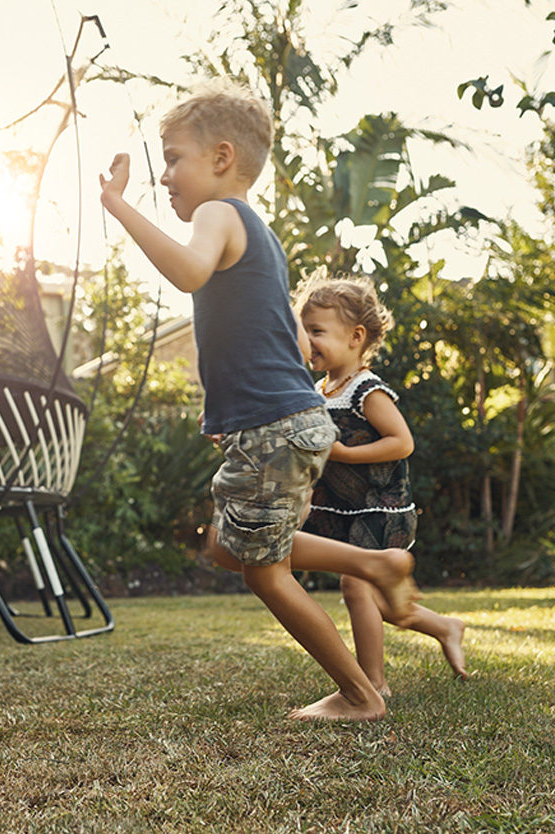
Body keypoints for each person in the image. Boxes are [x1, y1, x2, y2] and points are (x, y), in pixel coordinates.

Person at [98, 80, 419, 722]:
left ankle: (359, 696)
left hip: (275, 425)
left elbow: (189, 274)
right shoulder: (261, 236)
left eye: (173, 158)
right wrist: (230, 406)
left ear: (221, 158)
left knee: (263, 571)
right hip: (278, 421)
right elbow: (290, 340)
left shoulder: (218, 215)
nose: (165, 176)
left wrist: (118, 206)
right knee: (228, 545)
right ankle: (374, 561)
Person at [296, 273, 467, 694]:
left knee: (356, 584)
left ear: (355, 336)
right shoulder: (320, 390)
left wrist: (348, 454)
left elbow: (402, 442)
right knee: (381, 600)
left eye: (316, 331)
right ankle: (446, 626)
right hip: (339, 508)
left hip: (379, 508)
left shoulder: (366, 390)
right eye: (303, 331)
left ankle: (373, 682)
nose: (306, 340)